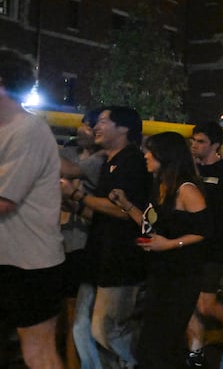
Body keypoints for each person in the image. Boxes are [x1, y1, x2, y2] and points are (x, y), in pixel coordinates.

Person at [107, 132, 211, 367]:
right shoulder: (160, 185)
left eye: (151, 151)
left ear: (166, 156)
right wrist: (126, 205)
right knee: (157, 345)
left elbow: (205, 231)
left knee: (159, 345)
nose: (145, 156)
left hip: (182, 277)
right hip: (160, 274)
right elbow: (150, 224)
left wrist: (170, 244)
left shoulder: (186, 190)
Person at [60, 106, 150, 369]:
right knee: (81, 329)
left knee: (104, 330)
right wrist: (75, 205)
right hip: (97, 258)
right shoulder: (108, 162)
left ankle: (133, 363)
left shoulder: (132, 161)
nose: (95, 127)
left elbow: (126, 211)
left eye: (102, 122)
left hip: (119, 260)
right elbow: (100, 213)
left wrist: (78, 196)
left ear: (123, 128)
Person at [0, 49, 65, 369]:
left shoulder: (29, 131)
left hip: (32, 266)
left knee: (38, 353)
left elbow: (4, 201)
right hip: (8, 259)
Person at [185, 121, 223, 367]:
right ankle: (195, 351)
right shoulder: (189, 171)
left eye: (200, 142)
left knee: (205, 303)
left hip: (214, 245)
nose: (195, 146)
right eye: (193, 141)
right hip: (188, 244)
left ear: (216, 146)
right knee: (191, 300)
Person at [59, 109, 105, 369]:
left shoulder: (100, 161)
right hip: (61, 241)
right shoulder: (71, 153)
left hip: (83, 243)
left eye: (89, 125)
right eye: (83, 124)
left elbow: (65, 176)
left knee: (76, 314)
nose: (82, 129)